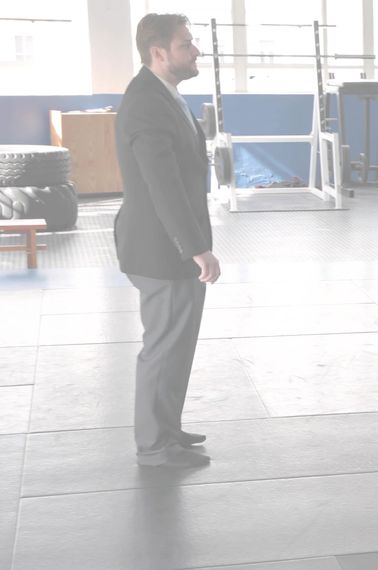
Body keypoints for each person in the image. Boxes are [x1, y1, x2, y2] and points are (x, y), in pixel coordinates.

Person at [114, 13, 219, 468]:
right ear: (159, 52)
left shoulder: (166, 95)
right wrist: (195, 247)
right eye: (186, 44)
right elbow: (162, 185)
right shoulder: (146, 103)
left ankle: (168, 429)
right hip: (161, 248)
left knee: (179, 341)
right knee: (164, 344)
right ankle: (155, 445)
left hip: (172, 246)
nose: (195, 50)